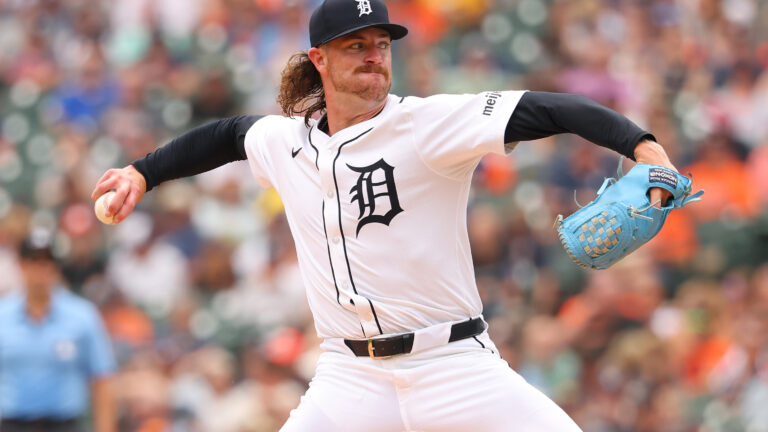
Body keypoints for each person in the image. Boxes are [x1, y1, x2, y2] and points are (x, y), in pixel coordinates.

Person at [91, 0, 678, 430]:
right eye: (356, 46)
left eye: (382, 45)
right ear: (319, 59)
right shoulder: (285, 141)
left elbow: (547, 108)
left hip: (453, 365)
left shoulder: (427, 125)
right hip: (350, 379)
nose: (374, 58)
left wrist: (644, 148)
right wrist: (142, 173)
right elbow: (225, 136)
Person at [0, 232, 117, 432]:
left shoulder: (82, 316)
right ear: (21, 265)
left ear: (56, 267)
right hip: (12, 423)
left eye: (46, 262)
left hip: (64, 424)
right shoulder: (3, 316)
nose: (39, 270)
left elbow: (102, 378)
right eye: (33, 262)